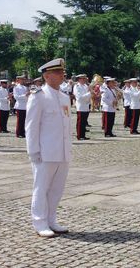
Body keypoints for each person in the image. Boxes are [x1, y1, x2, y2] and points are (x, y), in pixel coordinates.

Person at [26, 58, 71, 238]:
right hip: (45, 152)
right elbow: (31, 126)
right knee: (41, 188)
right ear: (46, 76)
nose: (62, 75)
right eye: (58, 72)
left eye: (62, 72)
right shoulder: (39, 97)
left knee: (56, 189)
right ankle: (40, 222)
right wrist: (33, 151)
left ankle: (51, 219)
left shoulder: (64, 97)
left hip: (62, 151)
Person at [74, 74, 91, 140]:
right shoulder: (77, 86)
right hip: (81, 106)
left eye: (85, 78)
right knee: (80, 122)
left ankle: (83, 135)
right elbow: (80, 98)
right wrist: (89, 93)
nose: (84, 80)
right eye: (83, 78)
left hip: (86, 105)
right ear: (79, 79)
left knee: (84, 122)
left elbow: (88, 96)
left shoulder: (85, 86)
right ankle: (79, 135)